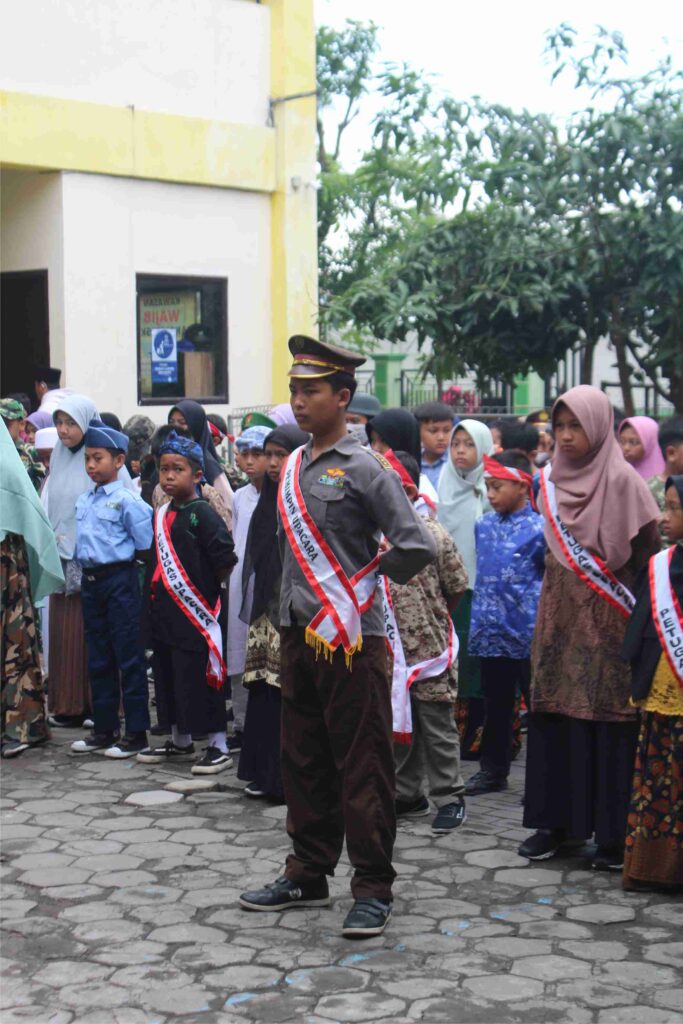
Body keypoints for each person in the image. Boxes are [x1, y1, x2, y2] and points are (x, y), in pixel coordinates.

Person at [239, 335, 436, 938]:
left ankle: (373, 886)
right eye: (295, 390)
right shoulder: (294, 464)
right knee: (303, 757)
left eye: (312, 390)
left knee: (363, 763)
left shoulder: (366, 469)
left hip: (352, 638)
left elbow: (416, 545)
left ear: (343, 398)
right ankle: (307, 870)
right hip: (301, 635)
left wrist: (366, 589)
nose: (299, 401)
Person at [520, 386, 660, 869]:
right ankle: (555, 825)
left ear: (599, 427)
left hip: (610, 626)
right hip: (558, 624)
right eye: (559, 427)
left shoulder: (626, 484)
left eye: (576, 425)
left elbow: (646, 561)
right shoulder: (550, 482)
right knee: (557, 716)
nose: (565, 435)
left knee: (606, 723)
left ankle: (611, 834)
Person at [137, 431, 237, 774]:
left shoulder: (202, 514)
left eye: (177, 469)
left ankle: (217, 744)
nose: (168, 476)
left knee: (200, 677)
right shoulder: (162, 513)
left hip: (196, 615)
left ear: (196, 475)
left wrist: (206, 591)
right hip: (165, 613)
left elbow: (224, 557)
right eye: (163, 469)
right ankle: (179, 739)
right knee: (168, 676)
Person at [387, 451, 469, 833]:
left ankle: (449, 796)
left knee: (436, 726)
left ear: (406, 490)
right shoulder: (372, 537)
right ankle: (407, 793)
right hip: (391, 653)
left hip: (430, 650)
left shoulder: (432, 533)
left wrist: (431, 621)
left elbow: (455, 588)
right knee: (398, 724)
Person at [69, 424, 153, 758]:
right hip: (91, 581)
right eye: (87, 459)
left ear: (119, 460)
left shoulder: (128, 500)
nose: (91, 465)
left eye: (98, 458)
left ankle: (136, 733)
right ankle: (104, 728)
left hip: (119, 579)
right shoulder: (85, 500)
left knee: (128, 655)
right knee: (99, 655)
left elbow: (145, 544)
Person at [465, 451, 545, 795]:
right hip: (489, 631)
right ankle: (493, 771)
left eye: (497, 487)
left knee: (539, 708)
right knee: (495, 705)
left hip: (527, 634)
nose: (491, 494)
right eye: (487, 487)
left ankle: (544, 781)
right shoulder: (482, 526)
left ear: (522, 485)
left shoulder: (541, 530)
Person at [238, 423, 310, 799]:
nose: (271, 462)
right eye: (269, 454)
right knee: (265, 692)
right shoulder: (267, 501)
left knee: (291, 695)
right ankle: (263, 772)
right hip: (268, 615)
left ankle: (288, 780)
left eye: (281, 454)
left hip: (297, 617)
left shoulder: (305, 500)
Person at [621, 474, 683, 890]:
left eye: (676, 508)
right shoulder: (661, 566)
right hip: (664, 692)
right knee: (663, 778)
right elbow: (642, 630)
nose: (665, 516)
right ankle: (656, 870)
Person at [1, 420, 64, 758]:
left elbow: (22, 509)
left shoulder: (6, 466)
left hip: (4, 566)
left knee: (14, 643)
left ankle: (20, 726)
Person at [437, 419, 495, 760]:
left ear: (483, 449)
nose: (460, 450)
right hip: (450, 590)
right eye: (456, 443)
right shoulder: (440, 487)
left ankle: (481, 735)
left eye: (468, 444)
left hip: (482, 591)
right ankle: (453, 734)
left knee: (477, 662)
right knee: (453, 658)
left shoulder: (494, 488)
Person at [43, 395, 99, 726]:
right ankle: (67, 705)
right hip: (62, 554)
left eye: (70, 423)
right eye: (59, 423)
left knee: (88, 629)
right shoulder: (59, 457)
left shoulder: (99, 454)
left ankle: (95, 705)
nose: (63, 431)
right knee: (64, 630)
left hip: (92, 558)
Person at [227, 426, 270, 747]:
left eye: (260, 454)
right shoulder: (240, 496)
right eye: (247, 455)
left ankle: (264, 723)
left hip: (268, 585)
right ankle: (242, 724)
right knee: (240, 653)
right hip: (240, 584)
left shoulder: (279, 493)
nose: (252, 461)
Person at [168, 400, 234, 523]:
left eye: (182, 423)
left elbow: (229, 506)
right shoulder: (168, 457)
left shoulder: (209, 465)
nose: (175, 427)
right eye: (171, 422)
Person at [1, 398, 46, 493]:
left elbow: (42, 486)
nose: (2, 427)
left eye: (6, 423)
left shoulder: (31, 453)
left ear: (21, 424)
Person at [413, 401, 456, 492]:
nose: (441, 437)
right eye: (433, 431)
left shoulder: (456, 463)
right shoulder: (413, 462)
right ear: (418, 432)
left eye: (446, 431)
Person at [618, 416, 665, 482]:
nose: (626, 448)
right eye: (622, 441)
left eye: (634, 442)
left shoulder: (662, 479)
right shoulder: (616, 473)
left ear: (650, 443)